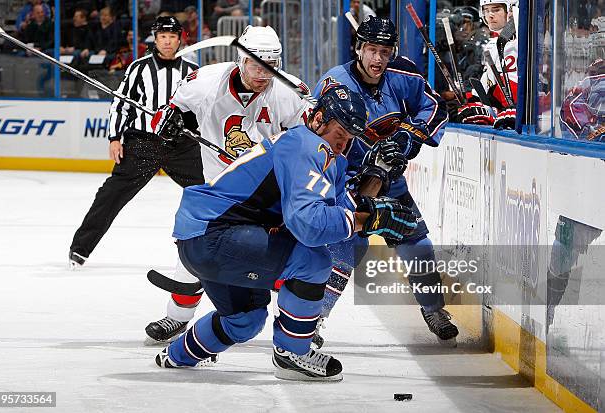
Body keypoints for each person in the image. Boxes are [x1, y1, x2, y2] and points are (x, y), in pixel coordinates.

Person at [153, 84, 418, 381]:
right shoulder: (307, 146)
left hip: (204, 237)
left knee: (245, 322)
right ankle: (292, 353)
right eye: (339, 134)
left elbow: (344, 212)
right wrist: (368, 220)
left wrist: (376, 175)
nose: (343, 144)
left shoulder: (322, 152)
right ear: (318, 119)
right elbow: (309, 225)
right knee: (312, 261)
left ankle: (176, 356)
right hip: (216, 235)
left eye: (350, 137)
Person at [144, 25, 311, 343]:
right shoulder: (206, 82)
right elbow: (165, 114)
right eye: (255, 65)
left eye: (271, 66)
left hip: (268, 193)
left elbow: (306, 142)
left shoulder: (289, 93)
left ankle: (296, 327)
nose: (263, 74)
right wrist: (169, 122)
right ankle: (177, 317)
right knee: (196, 246)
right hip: (219, 188)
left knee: (284, 258)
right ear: (240, 60)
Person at [312, 16, 459, 348]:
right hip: (345, 184)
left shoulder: (402, 75)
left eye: (385, 51)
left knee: (417, 243)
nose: (378, 59)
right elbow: (315, 133)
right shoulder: (335, 83)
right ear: (358, 48)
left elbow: (434, 107)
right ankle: (312, 319)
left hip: (389, 181)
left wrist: (409, 138)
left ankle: (434, 310)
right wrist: (357, 160)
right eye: (372, 50)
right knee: (345, 252)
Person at [69, 16, 202, 268]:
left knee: (210, 191)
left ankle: (222, 245)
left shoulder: (193, 71)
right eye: (162, 36)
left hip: (181, 146)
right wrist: (115, 137)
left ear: (179, 39)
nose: (167, 41)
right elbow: (120, 104)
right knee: (110, 196)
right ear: (155, 37)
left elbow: (202, 108)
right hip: (143, 144)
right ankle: (80, 249)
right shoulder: (138, 68)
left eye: (172, 36)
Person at [456, 0, 518, 129]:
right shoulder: (493, 45)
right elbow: (486, 88)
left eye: (496, 10)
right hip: (504, 121)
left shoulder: (524, 43)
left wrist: (520, 112)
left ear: (511, 11)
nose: (490, 15)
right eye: (486, 10)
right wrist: (473, 103)